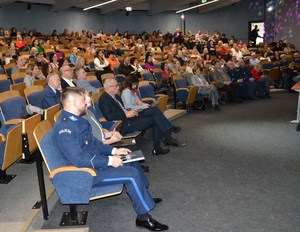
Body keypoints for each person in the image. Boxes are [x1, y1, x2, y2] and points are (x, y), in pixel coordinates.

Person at [53, 87, 168, 231]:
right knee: (131, 175)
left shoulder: (78, 120)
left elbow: (94, 143)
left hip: (95, 162)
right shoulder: (64, 128)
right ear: (74, 102)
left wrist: (114, 150)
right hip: (85, 173)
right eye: (83, 100)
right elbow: (80, 160)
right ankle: (143, 218)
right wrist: (110, 160)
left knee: (130, 158)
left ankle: (144, 197)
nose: (87, 103)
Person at [99, 78, 185, 155]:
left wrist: (130, 112)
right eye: (116, 86)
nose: (118, 87)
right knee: (155, 119)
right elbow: (109, 117)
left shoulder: (116, 96)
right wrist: (125, 114)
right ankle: (165, 139)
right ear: (109, 88)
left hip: (130, 116)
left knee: (154, 110)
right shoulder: (104, 99)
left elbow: (123, 108)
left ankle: (167, 136)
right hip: (124, 124)